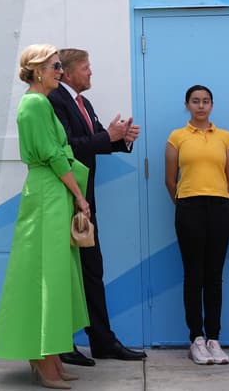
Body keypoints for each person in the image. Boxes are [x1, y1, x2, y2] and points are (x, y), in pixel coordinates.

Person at [0, 44, 92, 389]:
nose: (60, 72)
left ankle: (50, 357)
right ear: (37, 70)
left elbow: (56, 153)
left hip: (52, 192)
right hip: (49, 193)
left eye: (60, 66)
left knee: (57, 273)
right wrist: (80, 196)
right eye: (55, 67)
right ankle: (42, 358)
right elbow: (51, 154)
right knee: (47, 273)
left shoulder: (40, 103)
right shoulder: (34, 104)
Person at [47, 48, 145, 366]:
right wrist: (108, 136)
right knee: (66, 274)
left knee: (91, 270)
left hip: (84, 204)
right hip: (64, 201)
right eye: (87, 68)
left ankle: (103, 342)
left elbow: (98, 141)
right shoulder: (54, 101)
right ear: (69, 72)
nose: (91, 73)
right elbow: (64, 150)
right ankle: (62, 344)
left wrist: (122, 139)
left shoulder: (83, 103)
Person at [164, 85, 229, 365]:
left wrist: (219, 197)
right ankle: (196, 337)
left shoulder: (225, 137)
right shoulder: (177, 137)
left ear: (212, 105)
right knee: (193, 274)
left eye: (206, 101)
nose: (201, 106)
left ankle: (214, 339)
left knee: (214, 275)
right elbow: (170, 180)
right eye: (195, 101)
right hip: (189, 208)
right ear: (187, 105)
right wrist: (184, 203)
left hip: (219, 207)